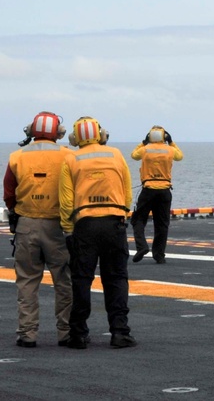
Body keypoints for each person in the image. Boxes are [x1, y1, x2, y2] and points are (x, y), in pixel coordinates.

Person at [59, 116, 136, 349]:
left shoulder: (70, 158)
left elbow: (66, 201)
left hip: (85, 226)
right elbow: (128, 194)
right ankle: (120, 332)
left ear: (75, 138)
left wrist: (69, 231)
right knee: (116, 279)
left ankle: (79, 334)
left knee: (81, 280)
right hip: (114, 224)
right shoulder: (116, 154)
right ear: (101, 134)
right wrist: (122, 216)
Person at [2, 111, 73, 348]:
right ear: (58, 133)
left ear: (30, 131)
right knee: (63, 281)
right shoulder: (68, 155)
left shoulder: (16, 156)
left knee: (27, 282)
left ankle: (27, 334)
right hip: (59, 226)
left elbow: (9, 193)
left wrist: (17, 213)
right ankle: (65, 332)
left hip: (27, 225)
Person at [130, 125, 184, 264]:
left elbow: (134, 155)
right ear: (164, 137)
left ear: (150, 137)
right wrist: (171, 142)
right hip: (164, 190)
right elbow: (180, 156)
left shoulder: (145, 149)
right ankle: (159, 255)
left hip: (148, 189)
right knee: (162, 224)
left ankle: (142, 246)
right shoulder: (170, 150)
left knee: (138, 219)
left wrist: (143, 142)